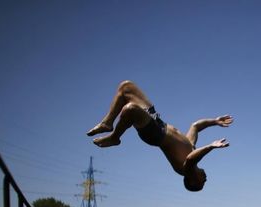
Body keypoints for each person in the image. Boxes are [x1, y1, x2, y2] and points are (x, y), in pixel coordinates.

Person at [87, 80, 233, 192]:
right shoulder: (190, 145)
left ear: (193, 181)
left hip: (154, 134)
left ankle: (115, 137)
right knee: (126, 87)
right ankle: (107, 122)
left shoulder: (184, 170)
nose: (205, 179)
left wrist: (211, 146)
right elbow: (196, 126)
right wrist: (215, 121)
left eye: (203, 182)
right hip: (156, 120)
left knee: (130, 109)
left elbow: (191, 159)